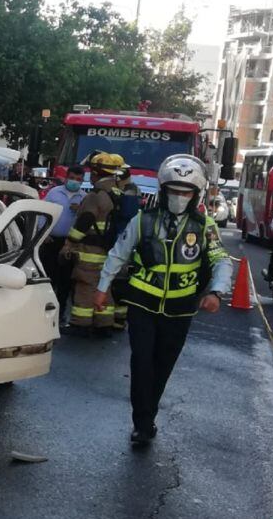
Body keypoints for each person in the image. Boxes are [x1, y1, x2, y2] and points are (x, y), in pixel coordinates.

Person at [94, 154, 232, 445]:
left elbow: (221, 259)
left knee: (162, 366)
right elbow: (119, 252)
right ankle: (141, 425)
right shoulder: (143, 220)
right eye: (173, 191)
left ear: (196, 195)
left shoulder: (205, 227)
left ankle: (149, 415)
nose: (179, 197)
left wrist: (216, 292)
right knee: (141, 362)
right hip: (142, 304)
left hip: (180, 310)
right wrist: (102, 286)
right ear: (163, 190)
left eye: (185, 192)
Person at [61, 152, 125, 336]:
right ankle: (104, 324)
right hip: (111, 249)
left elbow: (85, 221)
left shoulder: (95, 195)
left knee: (85, 285)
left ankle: (80, 324)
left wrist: (70, 242)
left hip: (91, 249)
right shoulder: (117, 193)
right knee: (103, 287)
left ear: (95, 172)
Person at [40, 166, 87, 321]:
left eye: (79, 180)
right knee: (48, 277)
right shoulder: (54, 193)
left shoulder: (84, 198)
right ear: (67, 177)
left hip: (69, 244)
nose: (75, 182)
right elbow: (43, 213)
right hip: (51, 241)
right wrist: (43, 233)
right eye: (72, 178)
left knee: (65, 280)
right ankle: (44, 310)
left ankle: (60, 314)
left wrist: (80, 210)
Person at [110, 167, 141, 330]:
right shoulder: (130, 189)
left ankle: (119, 317)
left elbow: (127, 213)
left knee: (120, 279)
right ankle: (119, 316)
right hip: (123, 236)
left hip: (123, 237)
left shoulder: (129, 191)